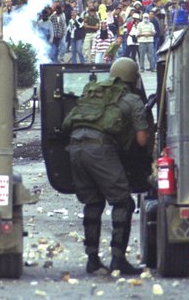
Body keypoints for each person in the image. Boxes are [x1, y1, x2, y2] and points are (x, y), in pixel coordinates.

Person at [64, 58, 149, 275]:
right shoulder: (132, 99)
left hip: (75, 147)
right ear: (133, 78)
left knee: (93, 203)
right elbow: (141, 140)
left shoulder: (93, 92)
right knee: (123, 203)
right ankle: (118, 259)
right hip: (100, 150)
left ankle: (92, 260)